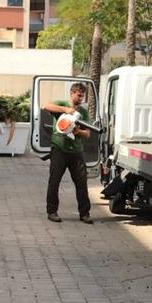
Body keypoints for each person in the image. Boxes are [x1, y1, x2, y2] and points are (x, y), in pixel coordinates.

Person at [43, 82, 93, 224]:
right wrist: (66, 110)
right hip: (59, 148)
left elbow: (88, 134)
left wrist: (79, 132)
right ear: (72, 93)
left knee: (82, 182)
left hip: (76, 151)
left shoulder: (82, 112)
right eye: (79, 95)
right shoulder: (61, 103)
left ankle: (85, 213)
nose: (81, 98)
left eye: (83, 96)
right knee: (54, 181)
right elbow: (46, 106)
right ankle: (52, 211)